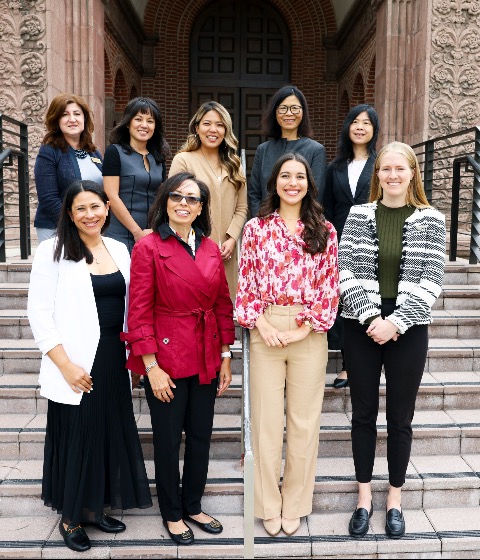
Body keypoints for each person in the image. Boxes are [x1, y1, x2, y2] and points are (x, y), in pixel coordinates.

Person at [27, 180, 152, 553]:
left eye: (95, 206)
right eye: (80, 208)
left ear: (107, 208)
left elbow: (133, 305)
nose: (89, 214)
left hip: (114, 355)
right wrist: (64, 364)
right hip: (76, 359)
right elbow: (39, 314)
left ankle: (95, 509)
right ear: (69, 213)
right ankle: (70, 517)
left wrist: (135, 359)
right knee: (80, 434)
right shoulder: (52, 251)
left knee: (108, 431)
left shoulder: (119, 248)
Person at [338, 142, 446, 539]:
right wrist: (372, 318)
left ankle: (394, 498)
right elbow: (345, 270)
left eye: (401, 169)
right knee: (363, 414)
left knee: (400, 418)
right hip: (361, 325)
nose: (393, 175)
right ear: (378, 175)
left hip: (409, 328)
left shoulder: (431, 219)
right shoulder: (359, 214)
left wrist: (396, 322)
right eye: (386, 169)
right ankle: (363, 497)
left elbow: (431, 280)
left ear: (413, 173)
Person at [121, 172, 235, 546]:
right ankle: (171, 512)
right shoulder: (149, 247)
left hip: (206, 353)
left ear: (202, 207)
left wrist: (225, 355)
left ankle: (194, 504)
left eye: (192, 199)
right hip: (167, 357)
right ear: (165, 201)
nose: (184, 203)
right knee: (168, 439)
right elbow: (138, 312)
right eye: (177, 197)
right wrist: (150, 367)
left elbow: (221, 302)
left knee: (201, 435)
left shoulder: (210, 248)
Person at [236, 153, 339, 537]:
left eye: (299, 176)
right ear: (274, 182)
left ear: (309, 184)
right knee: (265, 422)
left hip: (308, 330)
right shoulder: (256, 229)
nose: (292, 183)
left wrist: (302, 329)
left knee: (303, 422)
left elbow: (330, 288)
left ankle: (294, 503)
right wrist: (262, 324)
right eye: (285, 176)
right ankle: (266, 503)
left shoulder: (324, 230)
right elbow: (245, 285)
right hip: (266, 325)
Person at [323, 104, 380, 389]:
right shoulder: (334, 168)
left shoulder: (381, 165)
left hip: (373, 241)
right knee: (346, 302)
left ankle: (369, 361)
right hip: (340, 241)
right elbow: (328, 209)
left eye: (366, 123)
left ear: (374, 130)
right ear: (347, 127)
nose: (360, 127)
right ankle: (348, 365)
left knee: (368, 300)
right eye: (355, 122)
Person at [169, 100, 247, 299]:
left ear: (226, 130)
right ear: (197, 127)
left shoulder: (235, 165)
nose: (213, 129)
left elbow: (242, 207)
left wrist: (232, 238)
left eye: (220, 125)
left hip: (226, 254)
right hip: (193, 248)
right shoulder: (184, 160)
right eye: (207, 123)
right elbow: (176, 205)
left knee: (224, 311)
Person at [248, 85, 327, 218]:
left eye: (295, 108)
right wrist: (263, 223)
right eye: (283, 108)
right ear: (275, 112)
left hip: (302, 227)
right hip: (266, 228)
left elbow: (315, 196)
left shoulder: (316, 150)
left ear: (303, 112)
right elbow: (254, 194)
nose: (289, 113)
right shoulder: (263, 150)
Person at [103, 97, 169, 253]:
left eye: (150, 121)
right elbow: (111, 196)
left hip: (152, 233)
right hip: (120, 232)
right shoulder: (114, 152)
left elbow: (162, 196)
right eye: (138, 119)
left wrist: (153, 229)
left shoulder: (158, 156)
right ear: (128, 123)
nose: (144, 125)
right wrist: (137, 232)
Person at [33, 94, 103, 243]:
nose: (72, 119)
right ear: (57, 120)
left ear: (84, 118)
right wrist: (75, 223)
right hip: (57, 228)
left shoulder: (93, 151)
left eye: (77, 114)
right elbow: (48, 199)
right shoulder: (49, 152)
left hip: (89, 226)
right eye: (65, 115)